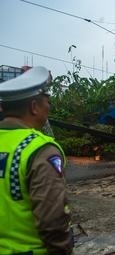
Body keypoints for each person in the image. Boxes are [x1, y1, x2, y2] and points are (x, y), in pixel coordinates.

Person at [0, 66, 73, 255]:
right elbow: (53, 220)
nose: (48, 107)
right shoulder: (40, 150)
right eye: (46, 101)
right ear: (34, 106)